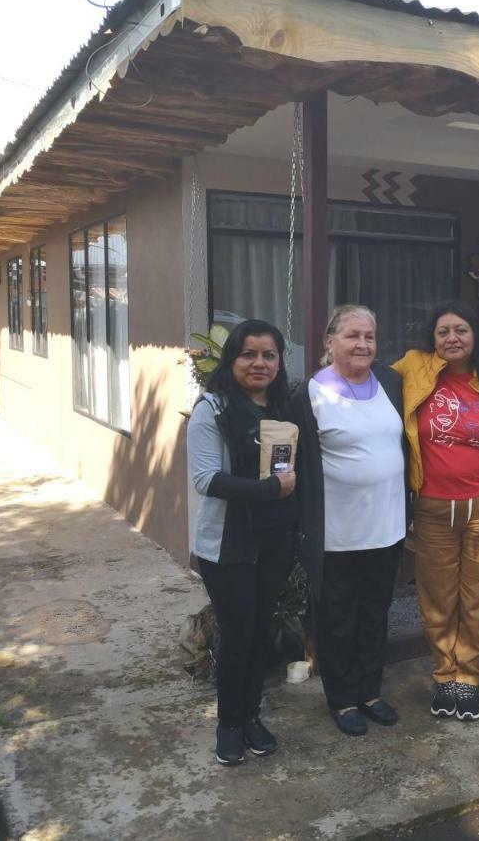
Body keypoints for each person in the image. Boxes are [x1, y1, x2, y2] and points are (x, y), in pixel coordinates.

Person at [392, 301, 479, 722]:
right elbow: (365, 376)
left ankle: (469, 677)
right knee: (437, 597)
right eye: (443, 331)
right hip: (432, 507)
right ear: (432, 339)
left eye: (460, 330)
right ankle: (445, 675)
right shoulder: (414, 369)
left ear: (475, 335)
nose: (451, 338)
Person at [288, 304, 407, 737]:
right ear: (329, 341)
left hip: (388, 526)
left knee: (376, 611)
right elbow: (291, 462)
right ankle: (341, 699)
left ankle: (370, 691)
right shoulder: (309, 395)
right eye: (353, 335)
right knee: (337, 617)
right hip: (337, 532)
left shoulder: (391, 382)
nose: (363, 344)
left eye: (370, 337)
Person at [187, 319, 298, 766]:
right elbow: (205, 479)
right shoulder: (212, 409)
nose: (259, 363)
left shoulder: (283, 408)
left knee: (259, 634)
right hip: (228, 546)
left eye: (268, 355)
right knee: (237, 636)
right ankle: (228, 725)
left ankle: (251, 716)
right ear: (232, 359)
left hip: (274, 541)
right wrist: (274, 491)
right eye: (248, 354)